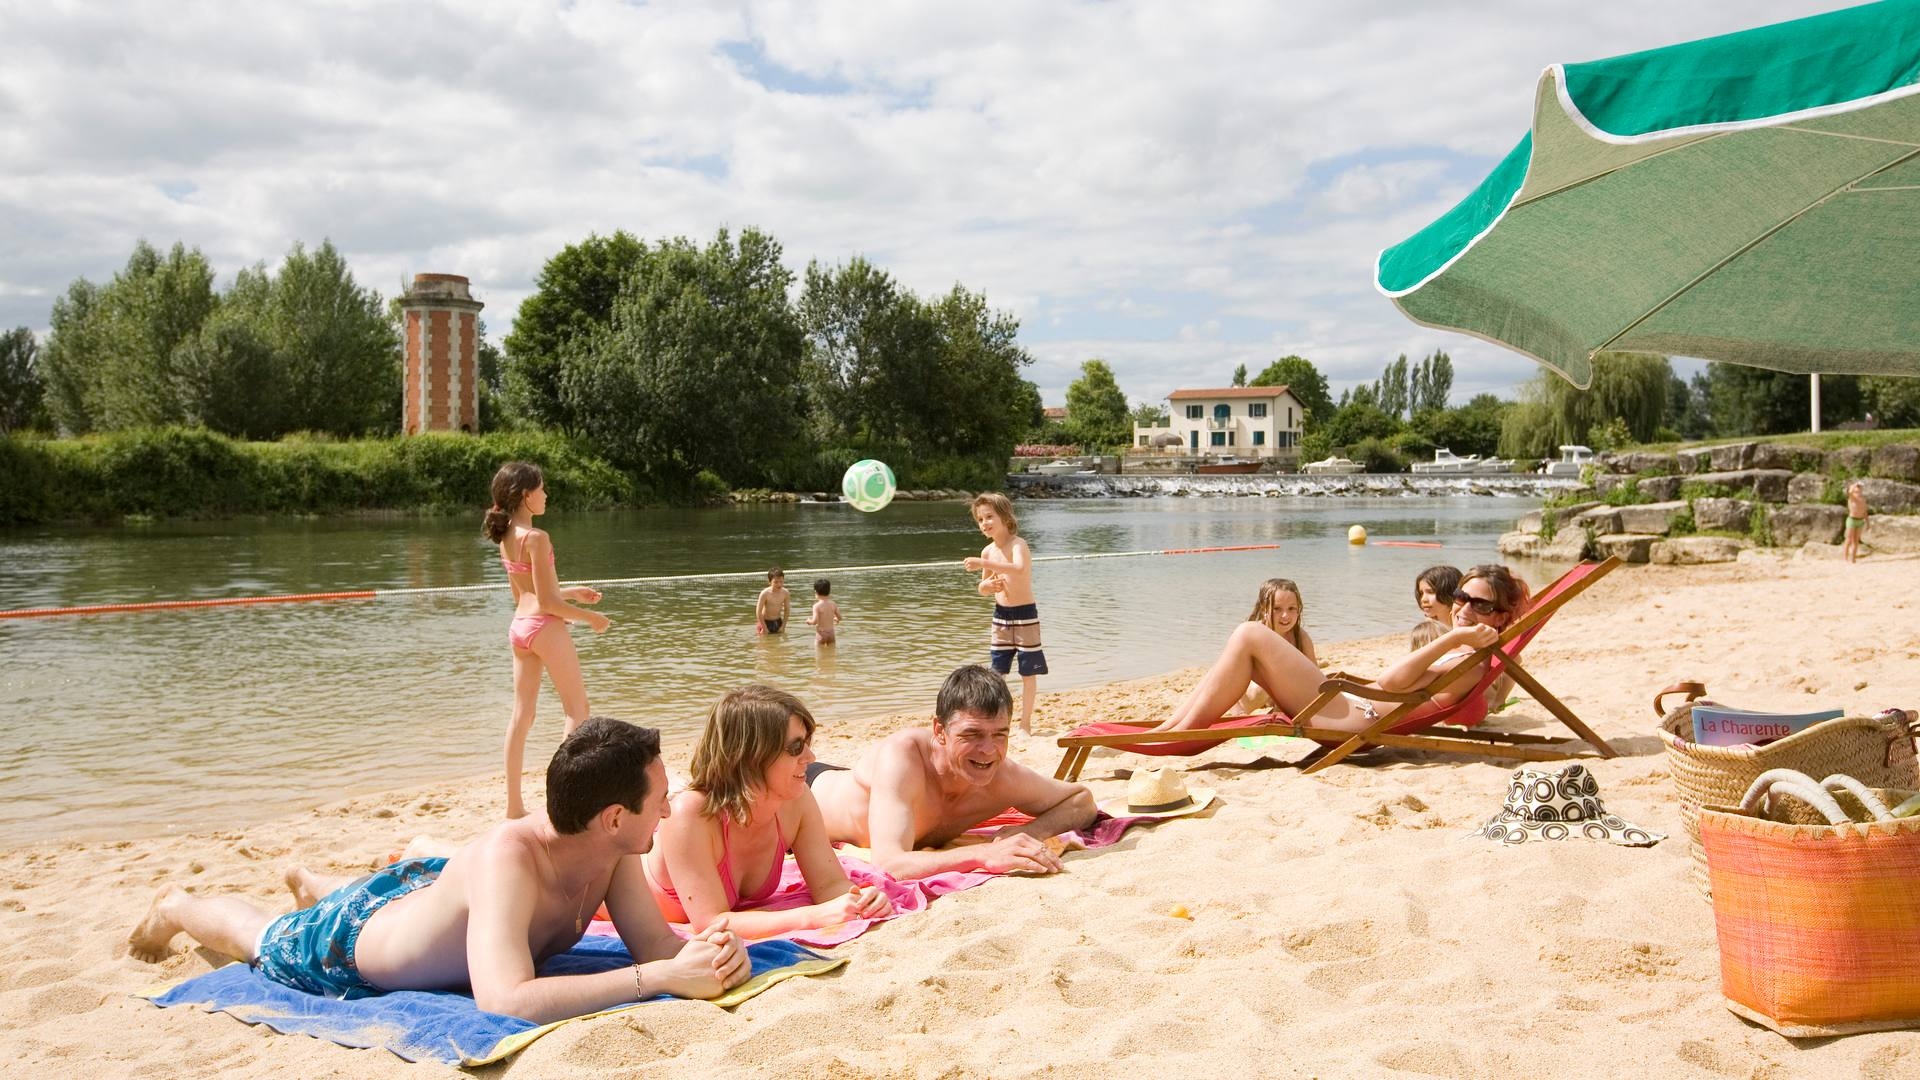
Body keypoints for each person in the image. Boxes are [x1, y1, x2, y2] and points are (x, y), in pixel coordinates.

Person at [128, 719, 749, 1025]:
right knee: (261, 939)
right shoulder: (511, 858)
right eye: (660, 797)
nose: (670, 807)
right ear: (614, 816)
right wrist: (663, 976)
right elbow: (506, 1000)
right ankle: (176, 904)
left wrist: (714, 954)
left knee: (401, 900)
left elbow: (662, 947)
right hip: (347, 946)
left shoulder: (615, 851)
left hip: (427, 891)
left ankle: (314, 883)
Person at [1149, 564, 1529, 735]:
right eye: (1462, 597)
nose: (1464, 609)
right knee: (1246, 640)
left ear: (1500, 617)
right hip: (1349, 706)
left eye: (1480, 605)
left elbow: (1391, 681)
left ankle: (1179, 731)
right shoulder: (1468, 653)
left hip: (1352, 719)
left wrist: (1452, 637)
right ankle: (1172, 727)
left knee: (1249, 634)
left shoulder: (1471, 661)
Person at [643, 686, 892, 937]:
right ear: (752, 756)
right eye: (795, 748)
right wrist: (814, 916)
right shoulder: (690, 814)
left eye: (807, 743)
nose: (810, 756)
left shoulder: (796, 801)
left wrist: (861, 900)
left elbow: (829, 883)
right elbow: (710, 923)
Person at [810, 664, 1097, 879]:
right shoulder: (904, 757)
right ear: (940, 730)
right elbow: (889, 864)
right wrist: (985, 854)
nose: (988, 750)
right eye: (972, 734)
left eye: (1000, 734)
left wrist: (1031, 832)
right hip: (806, 791)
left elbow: (1081, 801)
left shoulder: (1002, 777)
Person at [485, 461, 611, 819]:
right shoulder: (537, 538)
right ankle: (564, 796)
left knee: (521, 717)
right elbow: (548, 603)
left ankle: (514, 807)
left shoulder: (507, 537)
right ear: (526, 495)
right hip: (544, 626)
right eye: (541, 488)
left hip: (520, 629)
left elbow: (524, 594)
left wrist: (572, 593)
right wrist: (591, 619)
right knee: (577, 710)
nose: (546, 494)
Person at [963, 493, 1045, 734]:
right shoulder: (988, 552)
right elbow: (982, 588)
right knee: (997, 672)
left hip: (1025, 615)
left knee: (1028, 672)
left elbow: (1019, 569)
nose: (985, 523)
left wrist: (981, 563)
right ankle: (998, 722)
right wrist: (986, 586)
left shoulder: (1018, 544)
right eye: (980, 519)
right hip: (1001, 616)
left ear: (1005, 517)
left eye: (989, 516)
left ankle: (1025, 724)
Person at [1234, 579, 1315, 715]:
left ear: (1299, 609)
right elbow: (1231, 679)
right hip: (1252, 694)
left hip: (1283, 697)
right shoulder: (1254, 635)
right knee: (1260, 690)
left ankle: (1279, 709)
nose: (1285, 616)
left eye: (1291, 609)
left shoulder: (1300, 637)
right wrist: (1239, 713)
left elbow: (1314, 677)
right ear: (1264, 609)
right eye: (1277, 609)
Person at [805, 579, 842, 645]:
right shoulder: (833, 604)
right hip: (831, 633)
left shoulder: (816, 606)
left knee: (818, 652)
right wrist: (836, 619)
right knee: (832, 650)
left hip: (821, 633)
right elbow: (840, 617)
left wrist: (808, 621)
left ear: (816, 592)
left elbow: (814, 622)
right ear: (829, 591)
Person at [755, 568, 790, 635]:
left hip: (778, 621)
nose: (779, 584)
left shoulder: (785, 593)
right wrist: (764, 627)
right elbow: (758, 612)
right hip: (764, 622)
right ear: (770, 582)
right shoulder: (764, 593)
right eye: (776, 582)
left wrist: (783, 626)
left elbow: (787, 610)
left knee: (779, 644)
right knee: (763, 644)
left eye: (781, 581)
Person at [1845, 481, 1869, 563]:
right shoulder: (1852, 498)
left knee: (1855, 541)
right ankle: (1845, 558)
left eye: (1859, 488)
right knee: (1848, 540)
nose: (1858, 489)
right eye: (1857, 489)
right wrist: (1855, 484)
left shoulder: (1863, 499)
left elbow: (1865, 511)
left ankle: (1853, 559)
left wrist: (1867, 522)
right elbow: (1850, 492)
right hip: (1852, 520)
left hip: (1860, 520)